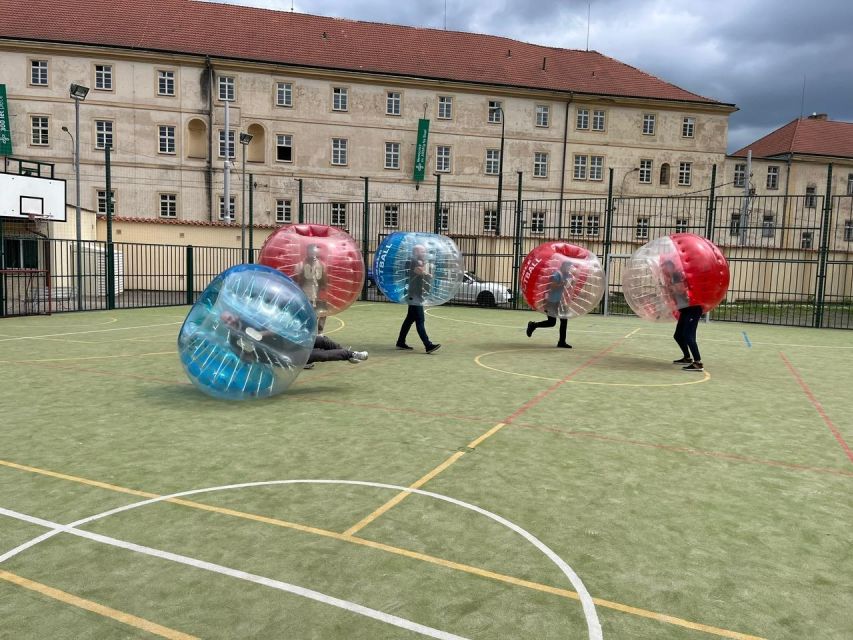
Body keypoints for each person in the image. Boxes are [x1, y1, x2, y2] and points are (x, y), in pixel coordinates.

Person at [220, 311, 367, 370]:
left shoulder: (248, 320)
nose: (230, 321)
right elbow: (245, 356)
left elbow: (273, 329)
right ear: (225, 325)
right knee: (319, 356)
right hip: (283, 355)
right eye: (226, 321)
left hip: (288, 340)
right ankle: (352, 354)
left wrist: (260, 334)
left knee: (321, 341)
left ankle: (346, 353)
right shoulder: (234, 338)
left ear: (235, 316)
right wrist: (253, 355)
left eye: (230, 317)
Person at [396, 244, 441, 354]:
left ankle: (400, 341)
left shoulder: (418, 261)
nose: (424, 253)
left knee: (409, 319)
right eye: (422, 252)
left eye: (425, 252)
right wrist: (428, 274)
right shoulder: (414, 261)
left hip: (414, 294)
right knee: (420, 320)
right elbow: (418, 270)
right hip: (414, 295)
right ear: (416, 252)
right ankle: (428, 345)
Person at [661, 259, 704, 372]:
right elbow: (674, 295)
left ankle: (698, 362)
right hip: (685, 310)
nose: (663, 270)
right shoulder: (672, 277)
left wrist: (668, 287)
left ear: (670, 266)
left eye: (664, 267)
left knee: (688, 335)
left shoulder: (676, 274)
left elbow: (680, 290)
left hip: (692, 308)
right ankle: (687, 358)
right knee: (678, 335)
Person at [526, 260, 573, 348]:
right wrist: (563, 284)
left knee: (564, 320)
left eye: (570, 267)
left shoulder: (566, 275)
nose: (569, 269)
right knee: (551, 322)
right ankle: (533, 325)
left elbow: (569, 284)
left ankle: (562, 342)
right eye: (568, 267)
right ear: (563, 266)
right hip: (551, 301)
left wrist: (569, 283)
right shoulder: (557, 274)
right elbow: (552, 286)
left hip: (559, 302)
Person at [295, 243, 327, 334]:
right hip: (305, 294)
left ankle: (320, 332)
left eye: (314, 251)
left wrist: (323, 289)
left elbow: (324, 281)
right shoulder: (301, 265)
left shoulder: (321, 265)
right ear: (307, 252)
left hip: (318, 294)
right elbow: (296, 280)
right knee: (308, 315)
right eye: (311, 251)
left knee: (322, 312)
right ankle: (307, 332)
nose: (313, 254)